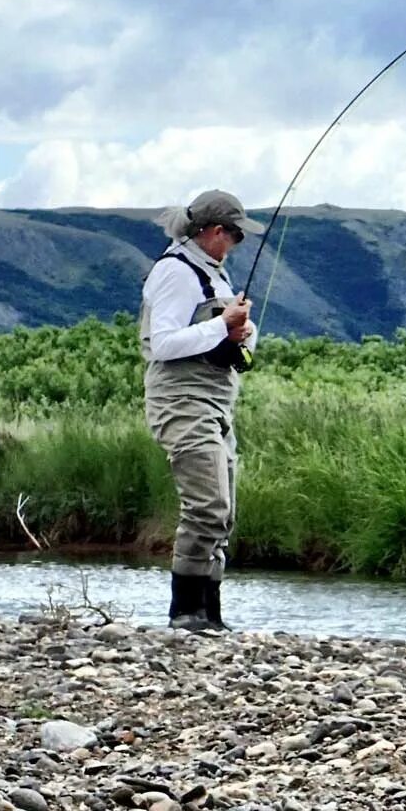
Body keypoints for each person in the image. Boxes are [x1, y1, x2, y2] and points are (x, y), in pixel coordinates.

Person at [140, 190, 264, 632]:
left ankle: (210, 615)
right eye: (235, 236)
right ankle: (185, 613)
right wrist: (221, 325)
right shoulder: (176, 272)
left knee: (224, 512)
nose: (237, 244)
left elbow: (222, 338)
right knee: (208, 506)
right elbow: (164, 343)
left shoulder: (214, 276)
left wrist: (239, 335)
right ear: (213, 232)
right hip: (181, 400)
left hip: (216, 401)